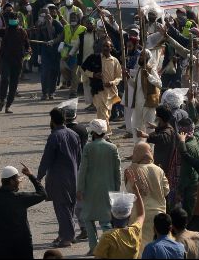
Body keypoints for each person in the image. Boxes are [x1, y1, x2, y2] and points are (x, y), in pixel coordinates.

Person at [37, 107, 82, 248]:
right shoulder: (74, 134)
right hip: (73, 176)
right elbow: (79, 157)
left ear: (52, 121)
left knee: (62, 207)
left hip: (59, 178)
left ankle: (67, 238)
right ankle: (66, 233)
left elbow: (47, 159)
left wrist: (38, 176)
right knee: (69, 206)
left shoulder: (54, 137)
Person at [0, 164, 46, 259]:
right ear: (11, 181)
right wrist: (30, 175)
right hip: (21, 247)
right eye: (18, 179)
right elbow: (42, 194)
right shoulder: (20, 198)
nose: (19, 182)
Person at [78, 118, 122, 255]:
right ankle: (109, 247)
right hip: (108, 189)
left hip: (90, 189)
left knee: (88, 218)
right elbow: (117, 171)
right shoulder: (112, 148)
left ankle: (94, 247)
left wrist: (79, 188)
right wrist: (117, 189)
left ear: (93, 133)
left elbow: (83, 170)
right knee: (106, 220)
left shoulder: (88, 148)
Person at [124, 142, 170, 246]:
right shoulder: (159, 170)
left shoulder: (131, 170)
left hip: (139, 214)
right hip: (158, 214)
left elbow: (130, 191)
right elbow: (166, 190)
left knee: (140, 247)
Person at [0, 10, 31, 113]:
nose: (13, 21)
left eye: (14, 19)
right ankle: (2, 100)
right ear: (8, 21)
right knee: (5, 79)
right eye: (11, 19)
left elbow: (28, 46)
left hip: (18, 61)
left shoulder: (22, 32)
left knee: (14, 84)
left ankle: (8, 106)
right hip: (5, 60)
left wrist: (28, 52)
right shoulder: (4, 31)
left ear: (17, 20)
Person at [93, 183, 144, 259]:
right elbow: (141, 214)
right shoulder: (134, 231)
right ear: (129, 216)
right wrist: (136, 191)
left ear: (112, 215)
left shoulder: (108, 237)